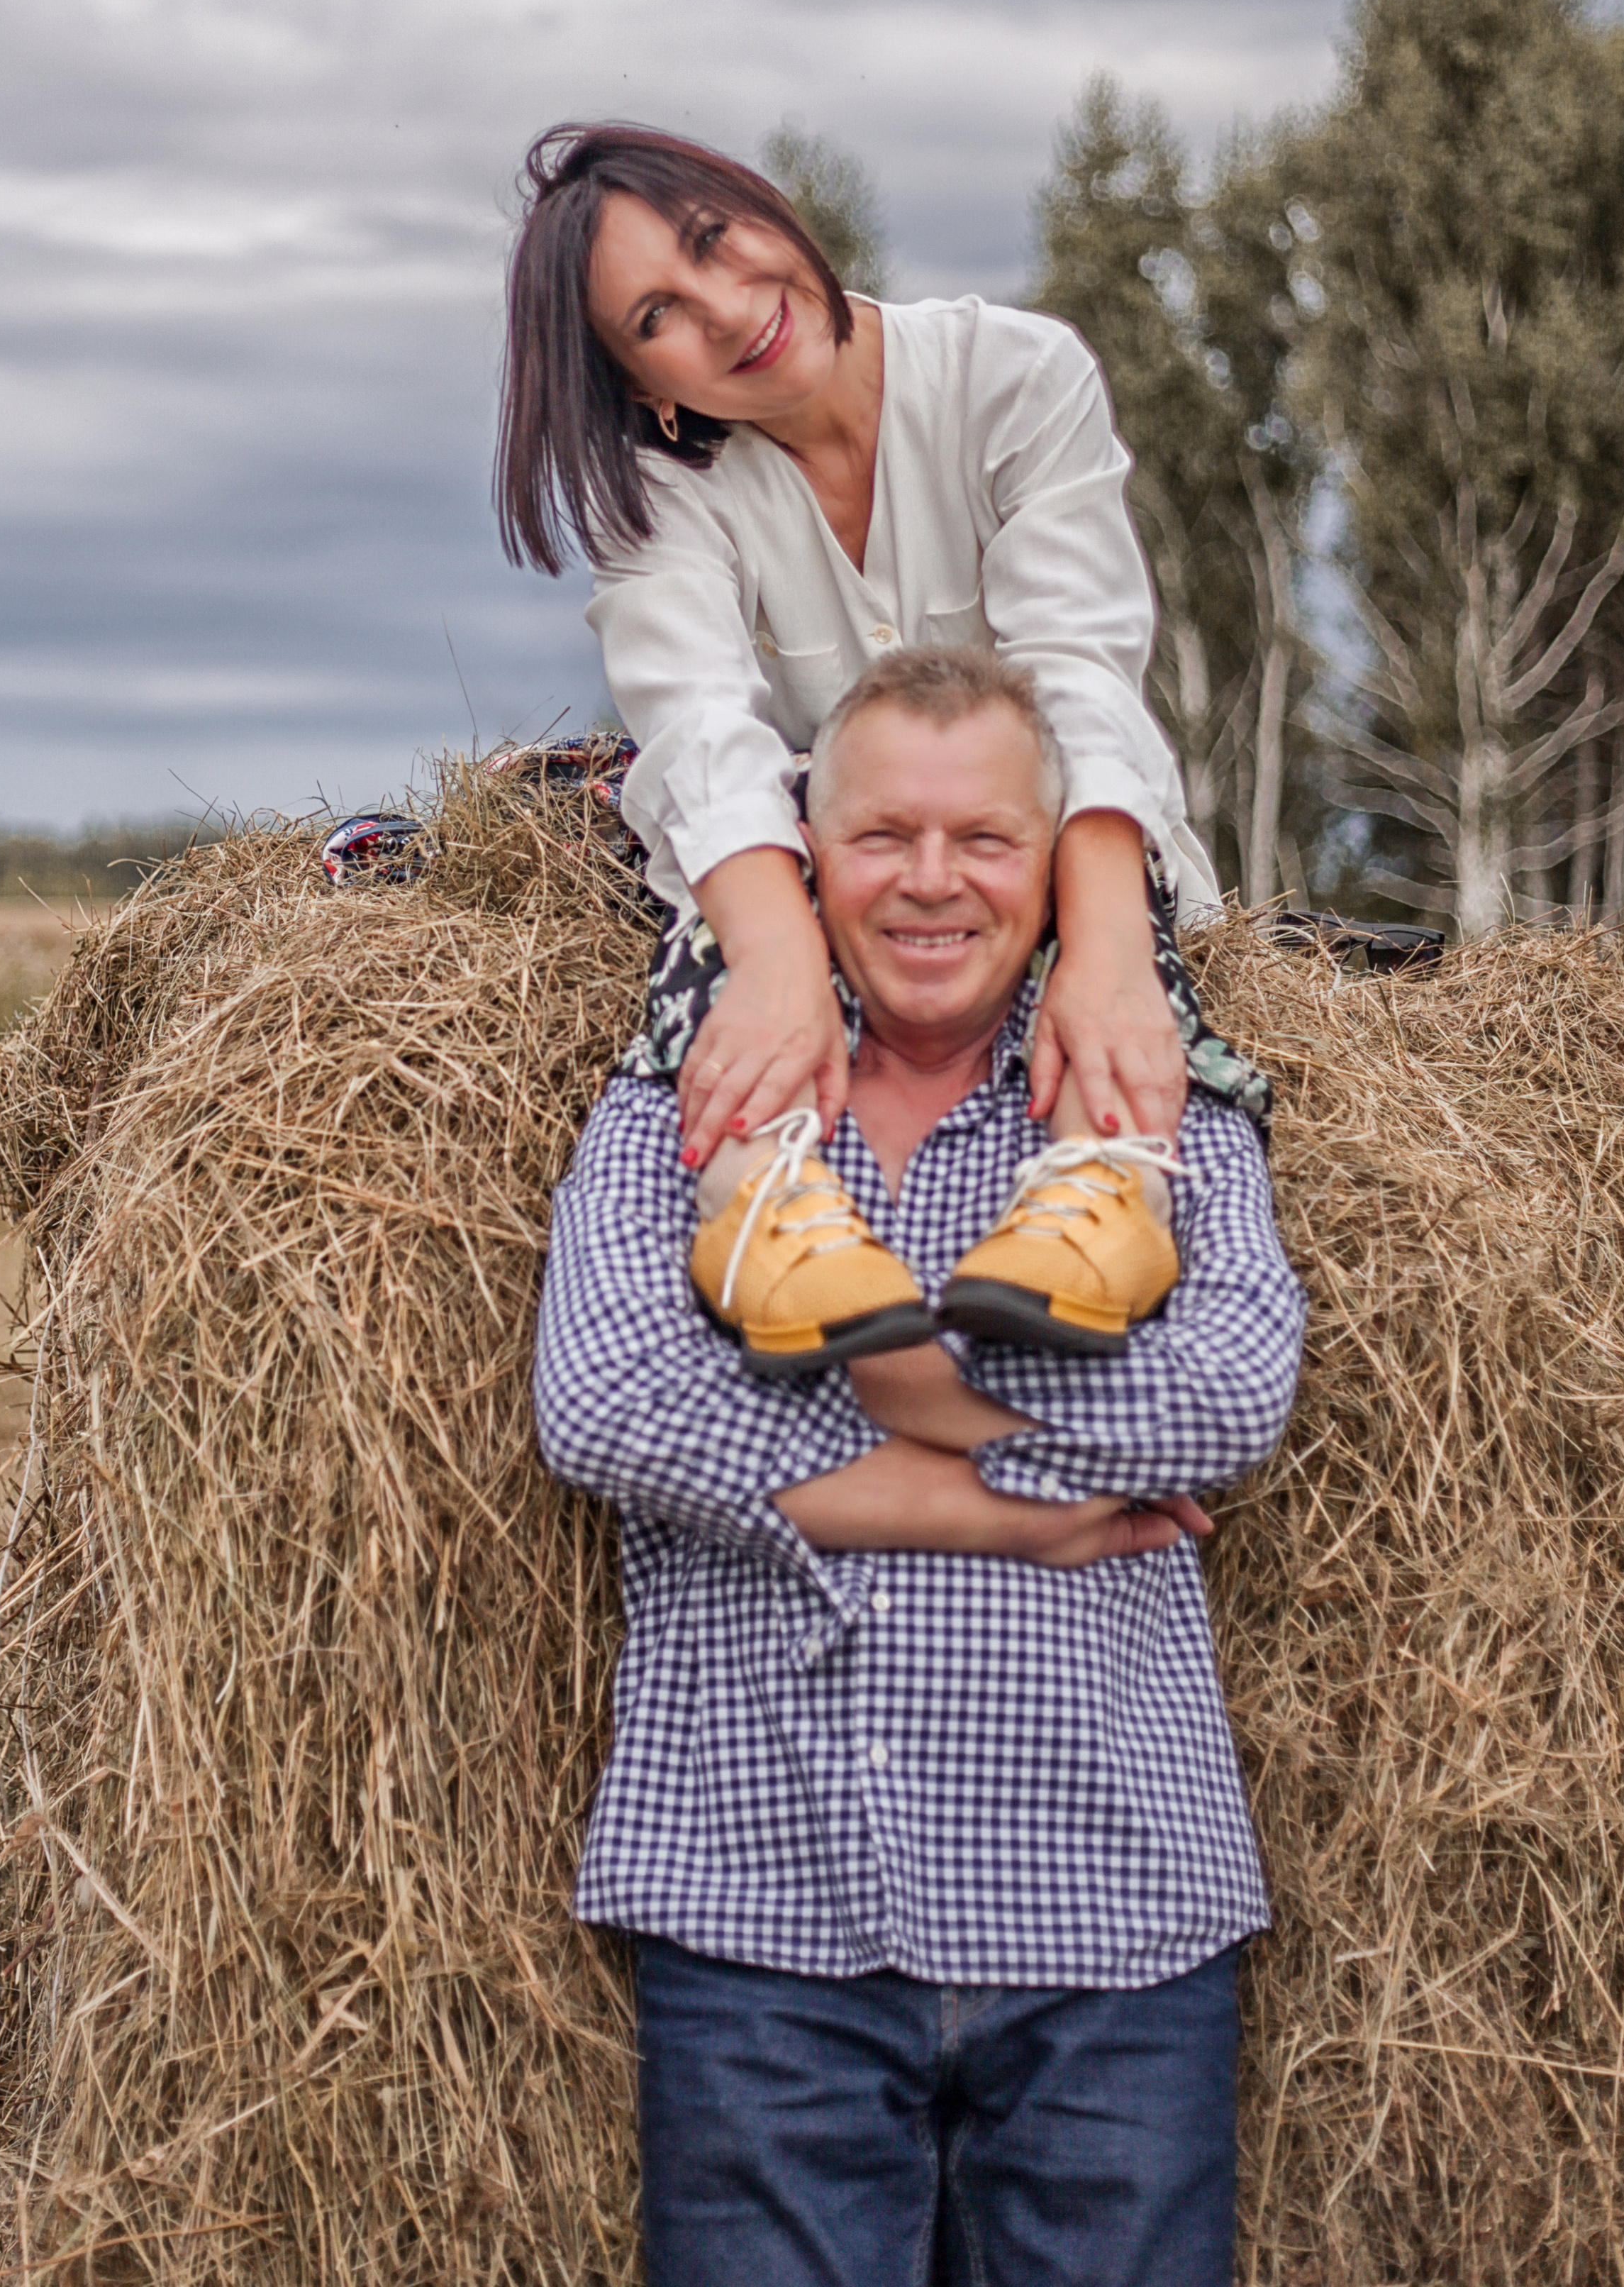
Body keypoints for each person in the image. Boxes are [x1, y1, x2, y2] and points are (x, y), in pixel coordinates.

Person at [535, 648, 1306, 2287]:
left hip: (1112, 1929)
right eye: (882, 837)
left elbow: (1226, 1394)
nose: (933, 882)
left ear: (1060, 865)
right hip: (762, 1926)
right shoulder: (689, 1103)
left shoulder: (1144, 1107)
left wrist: (887, 1403)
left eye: (984, 840)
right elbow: (605, 1402)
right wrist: (993, 1502)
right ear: (803, 850)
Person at [496, 123, 1271, 1378]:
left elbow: (1081, 677)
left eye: (715, 243)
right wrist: (783, 962)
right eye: (660, 317)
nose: (729, 307)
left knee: (1071, 874)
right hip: (822, 859)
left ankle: (1107, 1192)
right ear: (646, 386)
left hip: (1043, 838)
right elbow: (697, 724)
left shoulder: (1015, 377)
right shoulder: (656, 493)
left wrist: (1115, 952)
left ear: (769, 209)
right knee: (744, 872)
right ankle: (762, 1208)